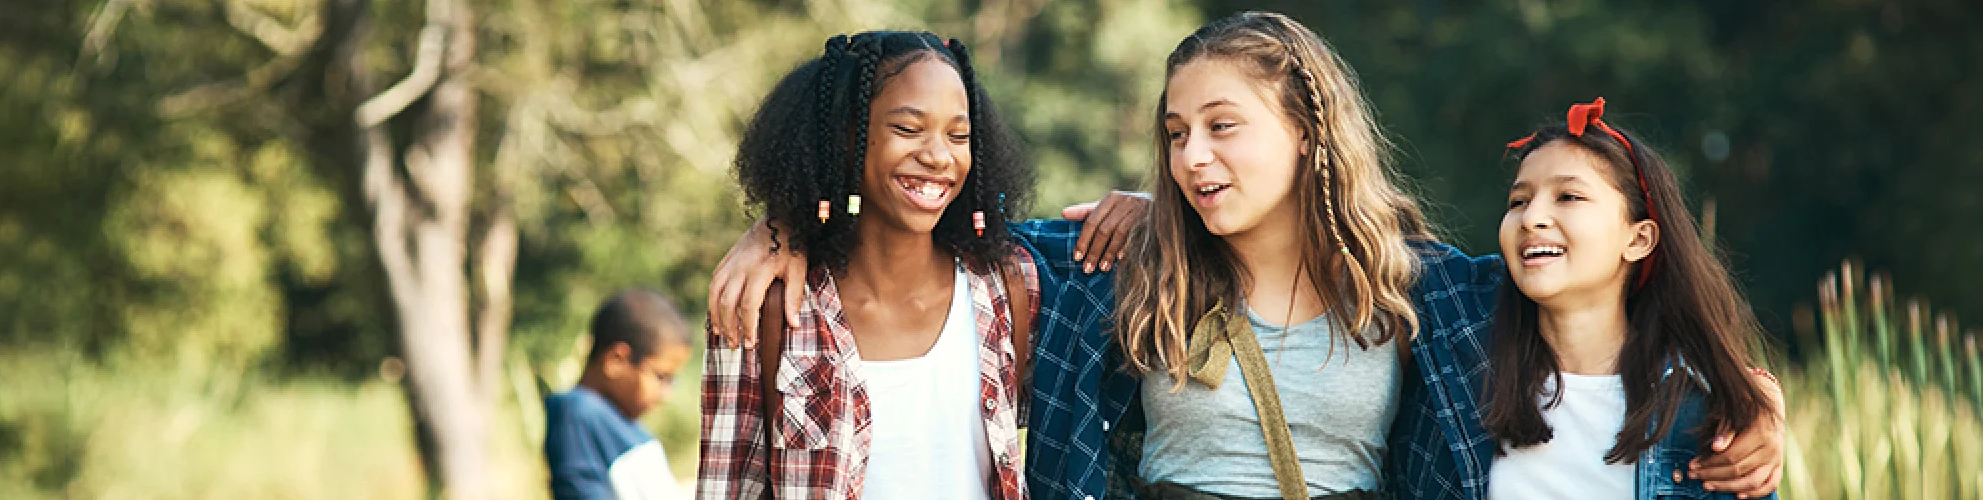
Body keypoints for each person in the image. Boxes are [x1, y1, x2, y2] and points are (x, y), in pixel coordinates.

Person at [703, 12, 1786, 500]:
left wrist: (1749, 394)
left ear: (1306, 127)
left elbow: (1589, 298)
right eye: (1173, 132)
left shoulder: (1424, 287)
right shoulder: (1112, 264)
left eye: (1222, 125)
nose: (1191, 155)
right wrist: (789, 222)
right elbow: (929, 225)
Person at [693, 30, 1041, 500]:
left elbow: (1124, 250)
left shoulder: (1007, 286)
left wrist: (1138, 205)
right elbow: (727, 488)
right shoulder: (764, 302)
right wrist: (774, 227)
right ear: (844, 138)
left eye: (958, 135)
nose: (939, 156)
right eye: (907, 128)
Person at [1480, 98, 1778, 499]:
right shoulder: (1457, 360)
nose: (1532, 218)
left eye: (1568, 197)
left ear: (1638, 239)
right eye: (1519, 201)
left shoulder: (1706, 419)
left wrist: (1757, 398)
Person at [544, 289, 693, 500]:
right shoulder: (577, 413)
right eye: (661, 377)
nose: (665, 395)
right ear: (616, 361)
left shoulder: (618, 421)